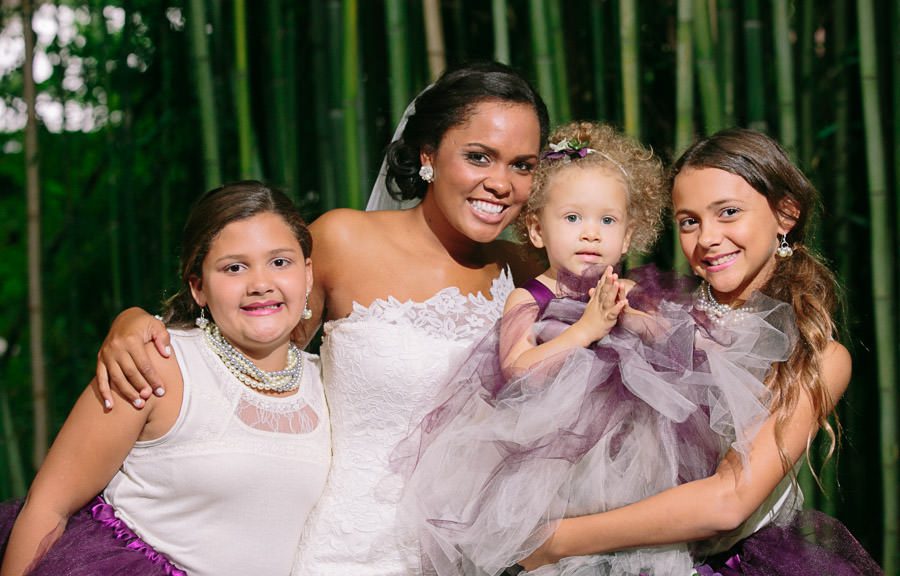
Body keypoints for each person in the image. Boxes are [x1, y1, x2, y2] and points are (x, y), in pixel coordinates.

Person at [92, 62, 550, 575]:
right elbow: (246, 343)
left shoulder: (532, 272)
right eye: (479, 156)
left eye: (523, 165)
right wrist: (134, 322)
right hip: (353, 549)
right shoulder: (343, 241)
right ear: (428, 155)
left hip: (482, 554)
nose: (501, 183)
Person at [393, 122, 789, 575]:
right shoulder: (531, 297)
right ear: (537, 230)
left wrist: (636, 321)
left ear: (627, 237)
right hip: (554, 463)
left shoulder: (632, 290)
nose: (590, 234)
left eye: (607, 221)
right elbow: (519, 369)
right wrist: (585, 328)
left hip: (636, 462)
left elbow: (682, 353)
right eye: (572, 218)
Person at [514, 128, 883, 575]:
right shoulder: (655, 313)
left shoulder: (817, 356)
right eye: (689, 221)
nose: (707, 237)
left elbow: (727, 501)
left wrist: (556, 541)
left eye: (728, 212)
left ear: (786, 214)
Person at [0, 182, 330, 576]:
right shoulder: (156, 359)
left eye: (280, 262)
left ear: (307, 274)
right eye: (234, 267)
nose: (260, 283)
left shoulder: (328, 382)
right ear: (198, 287)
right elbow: (50, 504)